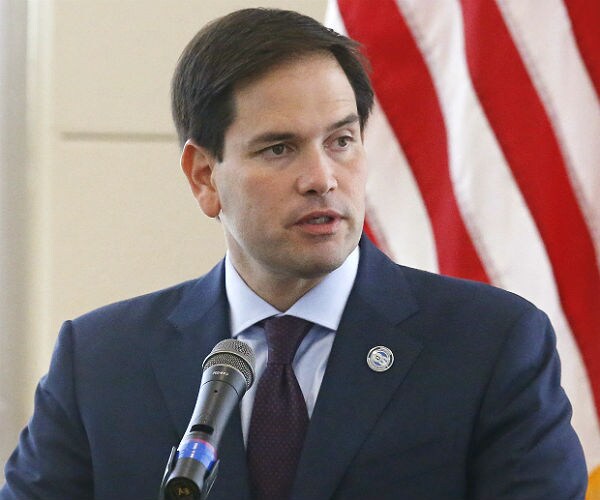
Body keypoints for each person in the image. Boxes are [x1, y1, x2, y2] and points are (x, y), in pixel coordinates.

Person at [0, 7, 588, 500]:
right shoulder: (101, 362)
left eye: (341, 140)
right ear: (204, 176)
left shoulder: (489, 345)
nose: (322, 178)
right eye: (279, 148)